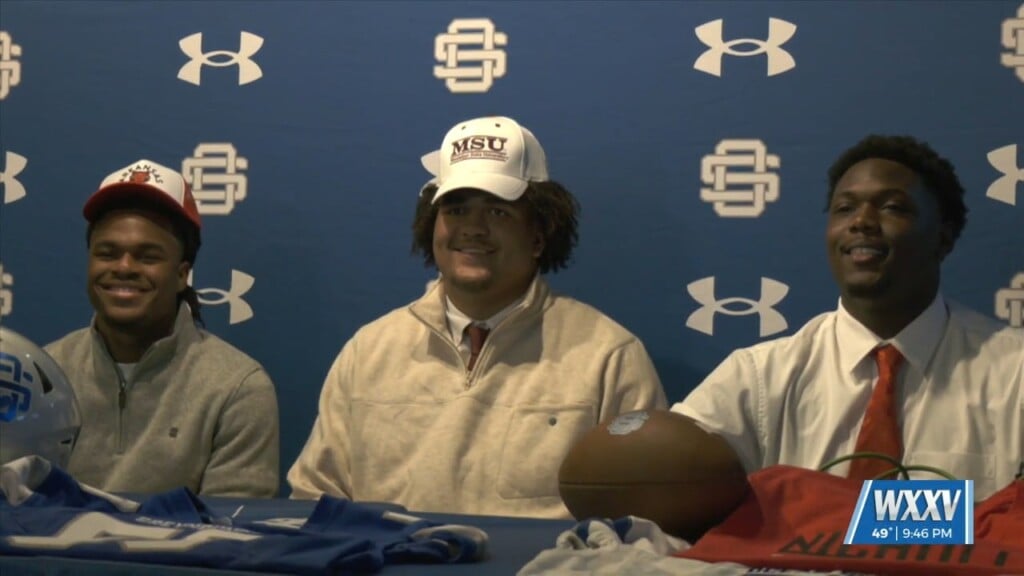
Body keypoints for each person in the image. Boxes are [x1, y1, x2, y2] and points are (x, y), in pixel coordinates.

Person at [288, 116, 667, 517]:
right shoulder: (370, 349)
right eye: (455, 209)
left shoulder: (608, 355)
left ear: (539, 235)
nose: (472, 229)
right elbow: (316, 498)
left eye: (498, 212)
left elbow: (645, 520)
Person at [673, 135, 1024, 499]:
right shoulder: (759, 377)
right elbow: (666, 486)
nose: (862, 222)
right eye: (845, 208)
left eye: (892, 207)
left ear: (943, 237)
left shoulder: (1014, 373)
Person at [45, 159, 280, 497]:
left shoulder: (237, 388)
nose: (124, 267)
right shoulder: (45, 375)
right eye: (107, 253)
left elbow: (232, 538)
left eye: (147, 256)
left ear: (182, 274)